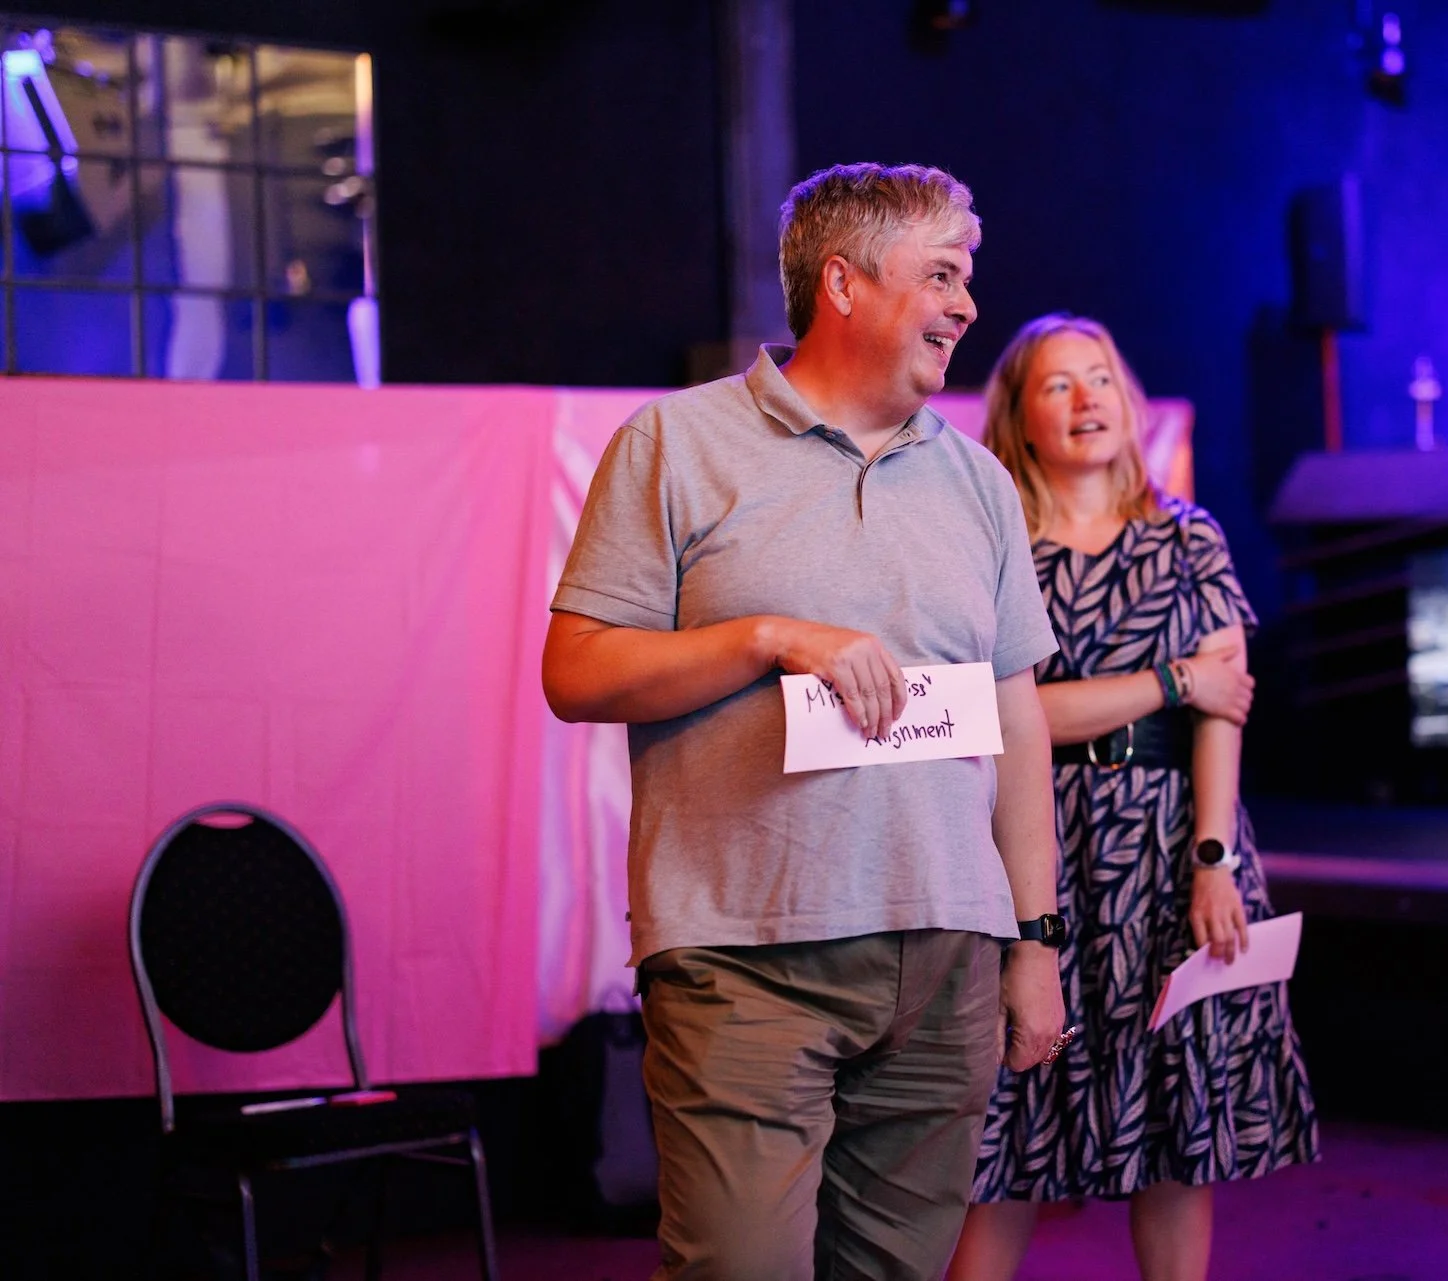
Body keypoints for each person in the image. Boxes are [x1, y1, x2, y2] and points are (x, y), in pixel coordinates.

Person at [542, 163, 1068, 1281]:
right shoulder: (674, 443)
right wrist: (765, 637)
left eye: (967, 278)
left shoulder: (980, 483)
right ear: (842, 283)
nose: (968, 304)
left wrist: (1033, 940)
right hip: (745, 955)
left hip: (947, 957)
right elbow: (575, 672)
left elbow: (1015, 723)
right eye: (942, 275)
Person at [947, 314, 1319, 1281]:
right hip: (1035, 851)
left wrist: (1213, 858)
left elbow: (1223, 708)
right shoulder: (994, 547)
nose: (1086, 400)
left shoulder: (1189, 536)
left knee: (1176, 1135)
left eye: (1101, 378)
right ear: (1019, 417)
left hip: (1170, 848)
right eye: (1058, 384)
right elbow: (1009, 713)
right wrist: (1169, 680)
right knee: (1008, 1133)